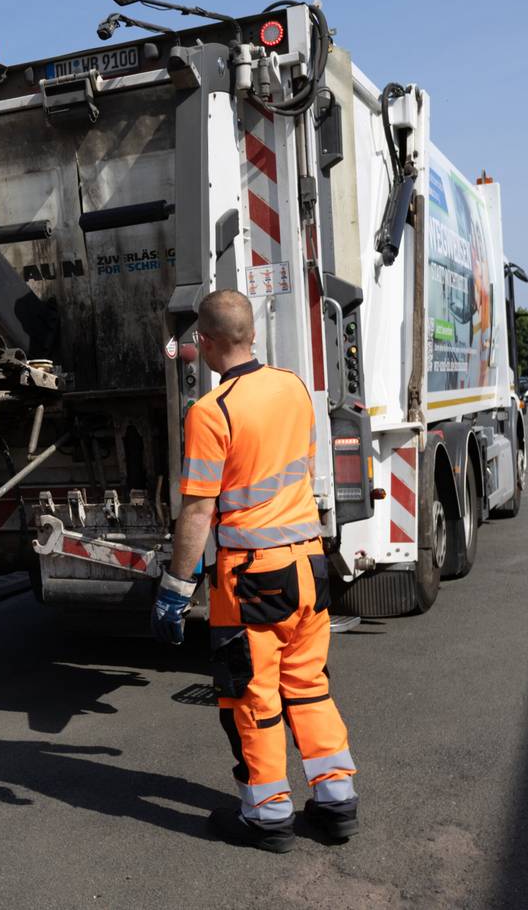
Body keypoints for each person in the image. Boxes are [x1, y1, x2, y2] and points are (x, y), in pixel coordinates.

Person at [151, 290, 357, 853]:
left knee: (253, 696)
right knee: (309, 686)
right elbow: (300, 468)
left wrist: (175, 588)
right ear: (253, 335)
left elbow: (198, 510)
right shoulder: (293, 388)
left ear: (206, 343)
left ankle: (267, 815)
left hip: (252, 581)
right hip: (309, 564)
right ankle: (336, 801)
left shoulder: (211, 412)